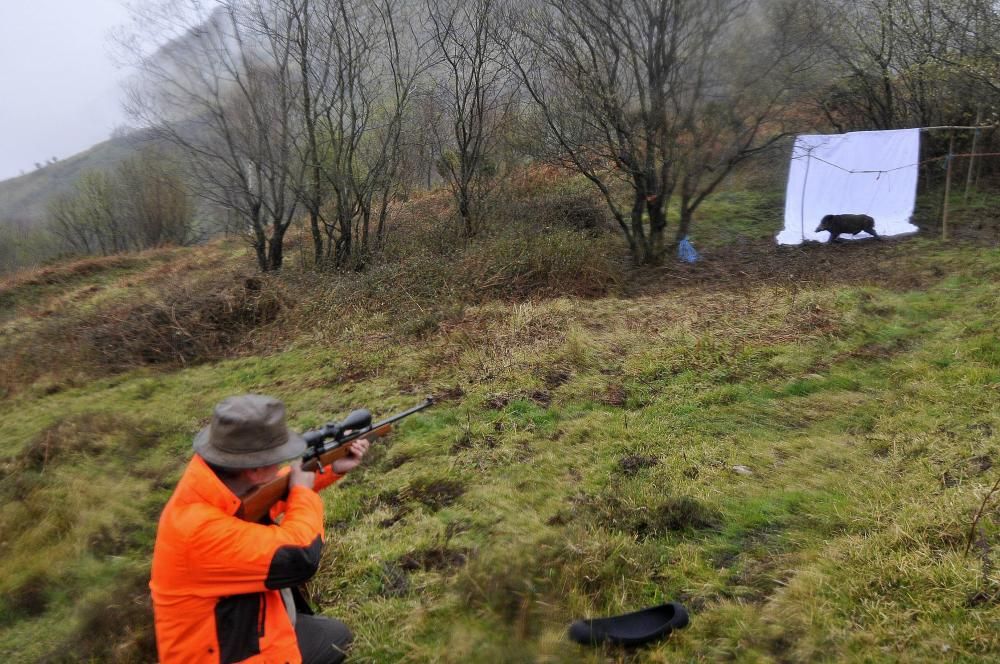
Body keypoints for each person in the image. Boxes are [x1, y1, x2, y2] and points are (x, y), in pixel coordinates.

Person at [150, 394, 369, 664]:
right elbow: (300, 555)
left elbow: (269, 494)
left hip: (241, 632)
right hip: (222, 654)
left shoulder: (213, 485)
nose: (282, 463)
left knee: (335, 636)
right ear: (253, 470)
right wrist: (303, 492)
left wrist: (331, 467)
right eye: (278, 457)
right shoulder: (198, 530)